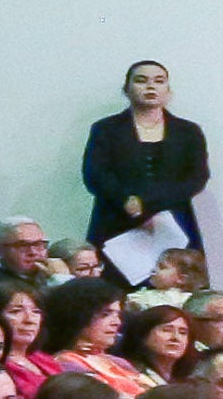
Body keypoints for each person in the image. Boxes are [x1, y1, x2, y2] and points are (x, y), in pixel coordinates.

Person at [77, 58, 211, 268]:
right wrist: (126, 200)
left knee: (179, 286)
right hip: (116, 219)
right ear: (126, 89)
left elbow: (196, 177)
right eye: (141, 80)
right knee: (111, 290)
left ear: (168, 91)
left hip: (173, 222)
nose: (150, 86)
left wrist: (149, 203)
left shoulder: (188, 131)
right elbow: (95, 174)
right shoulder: (106, 129)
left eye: (159, 81)